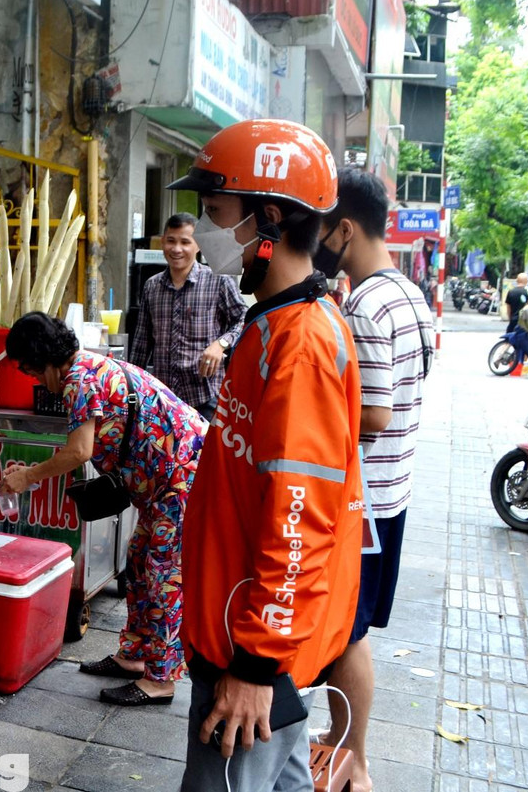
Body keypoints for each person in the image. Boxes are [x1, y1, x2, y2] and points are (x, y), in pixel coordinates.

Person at [167, 119, 364, 792]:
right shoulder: (271, 322)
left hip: (250, 659)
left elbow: (300, 516)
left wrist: (255, 666)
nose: (204, 232)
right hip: (246, 642)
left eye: (217, 213)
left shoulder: (301, 342)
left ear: (268, 219)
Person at [0, 311, 204, 707]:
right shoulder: (84, 368)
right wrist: (31, 471)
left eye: (31, 370)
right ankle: (133, 657)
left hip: (183, 477)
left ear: (44, 359)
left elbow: (79, 451)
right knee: (139, 560)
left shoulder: (79, 380)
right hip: (164, 480)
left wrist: (28, 477)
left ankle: (160, 677)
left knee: (162, 572)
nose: (35, 380)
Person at [311, 168, 434, 792]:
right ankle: (343, 746)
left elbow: (375, 415)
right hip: (395, 494)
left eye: (324, 229)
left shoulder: (366, 303)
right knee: (350, 633)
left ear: (345, 229)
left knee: (347, 636)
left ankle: (351, 758)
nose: (319, 243)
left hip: (366, 504)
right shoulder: (408, 293)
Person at [129, 212, 247, 421]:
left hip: (205, 397)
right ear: (163, 242)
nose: (176, 249)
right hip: (162, 399)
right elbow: (141, 342)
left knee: (205, 454)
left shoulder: (218, 281)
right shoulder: (152, 286)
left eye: (185, 242)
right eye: (171, 241)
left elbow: (244, 318)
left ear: (198, 245)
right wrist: (132, 389)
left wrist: (220, 344)